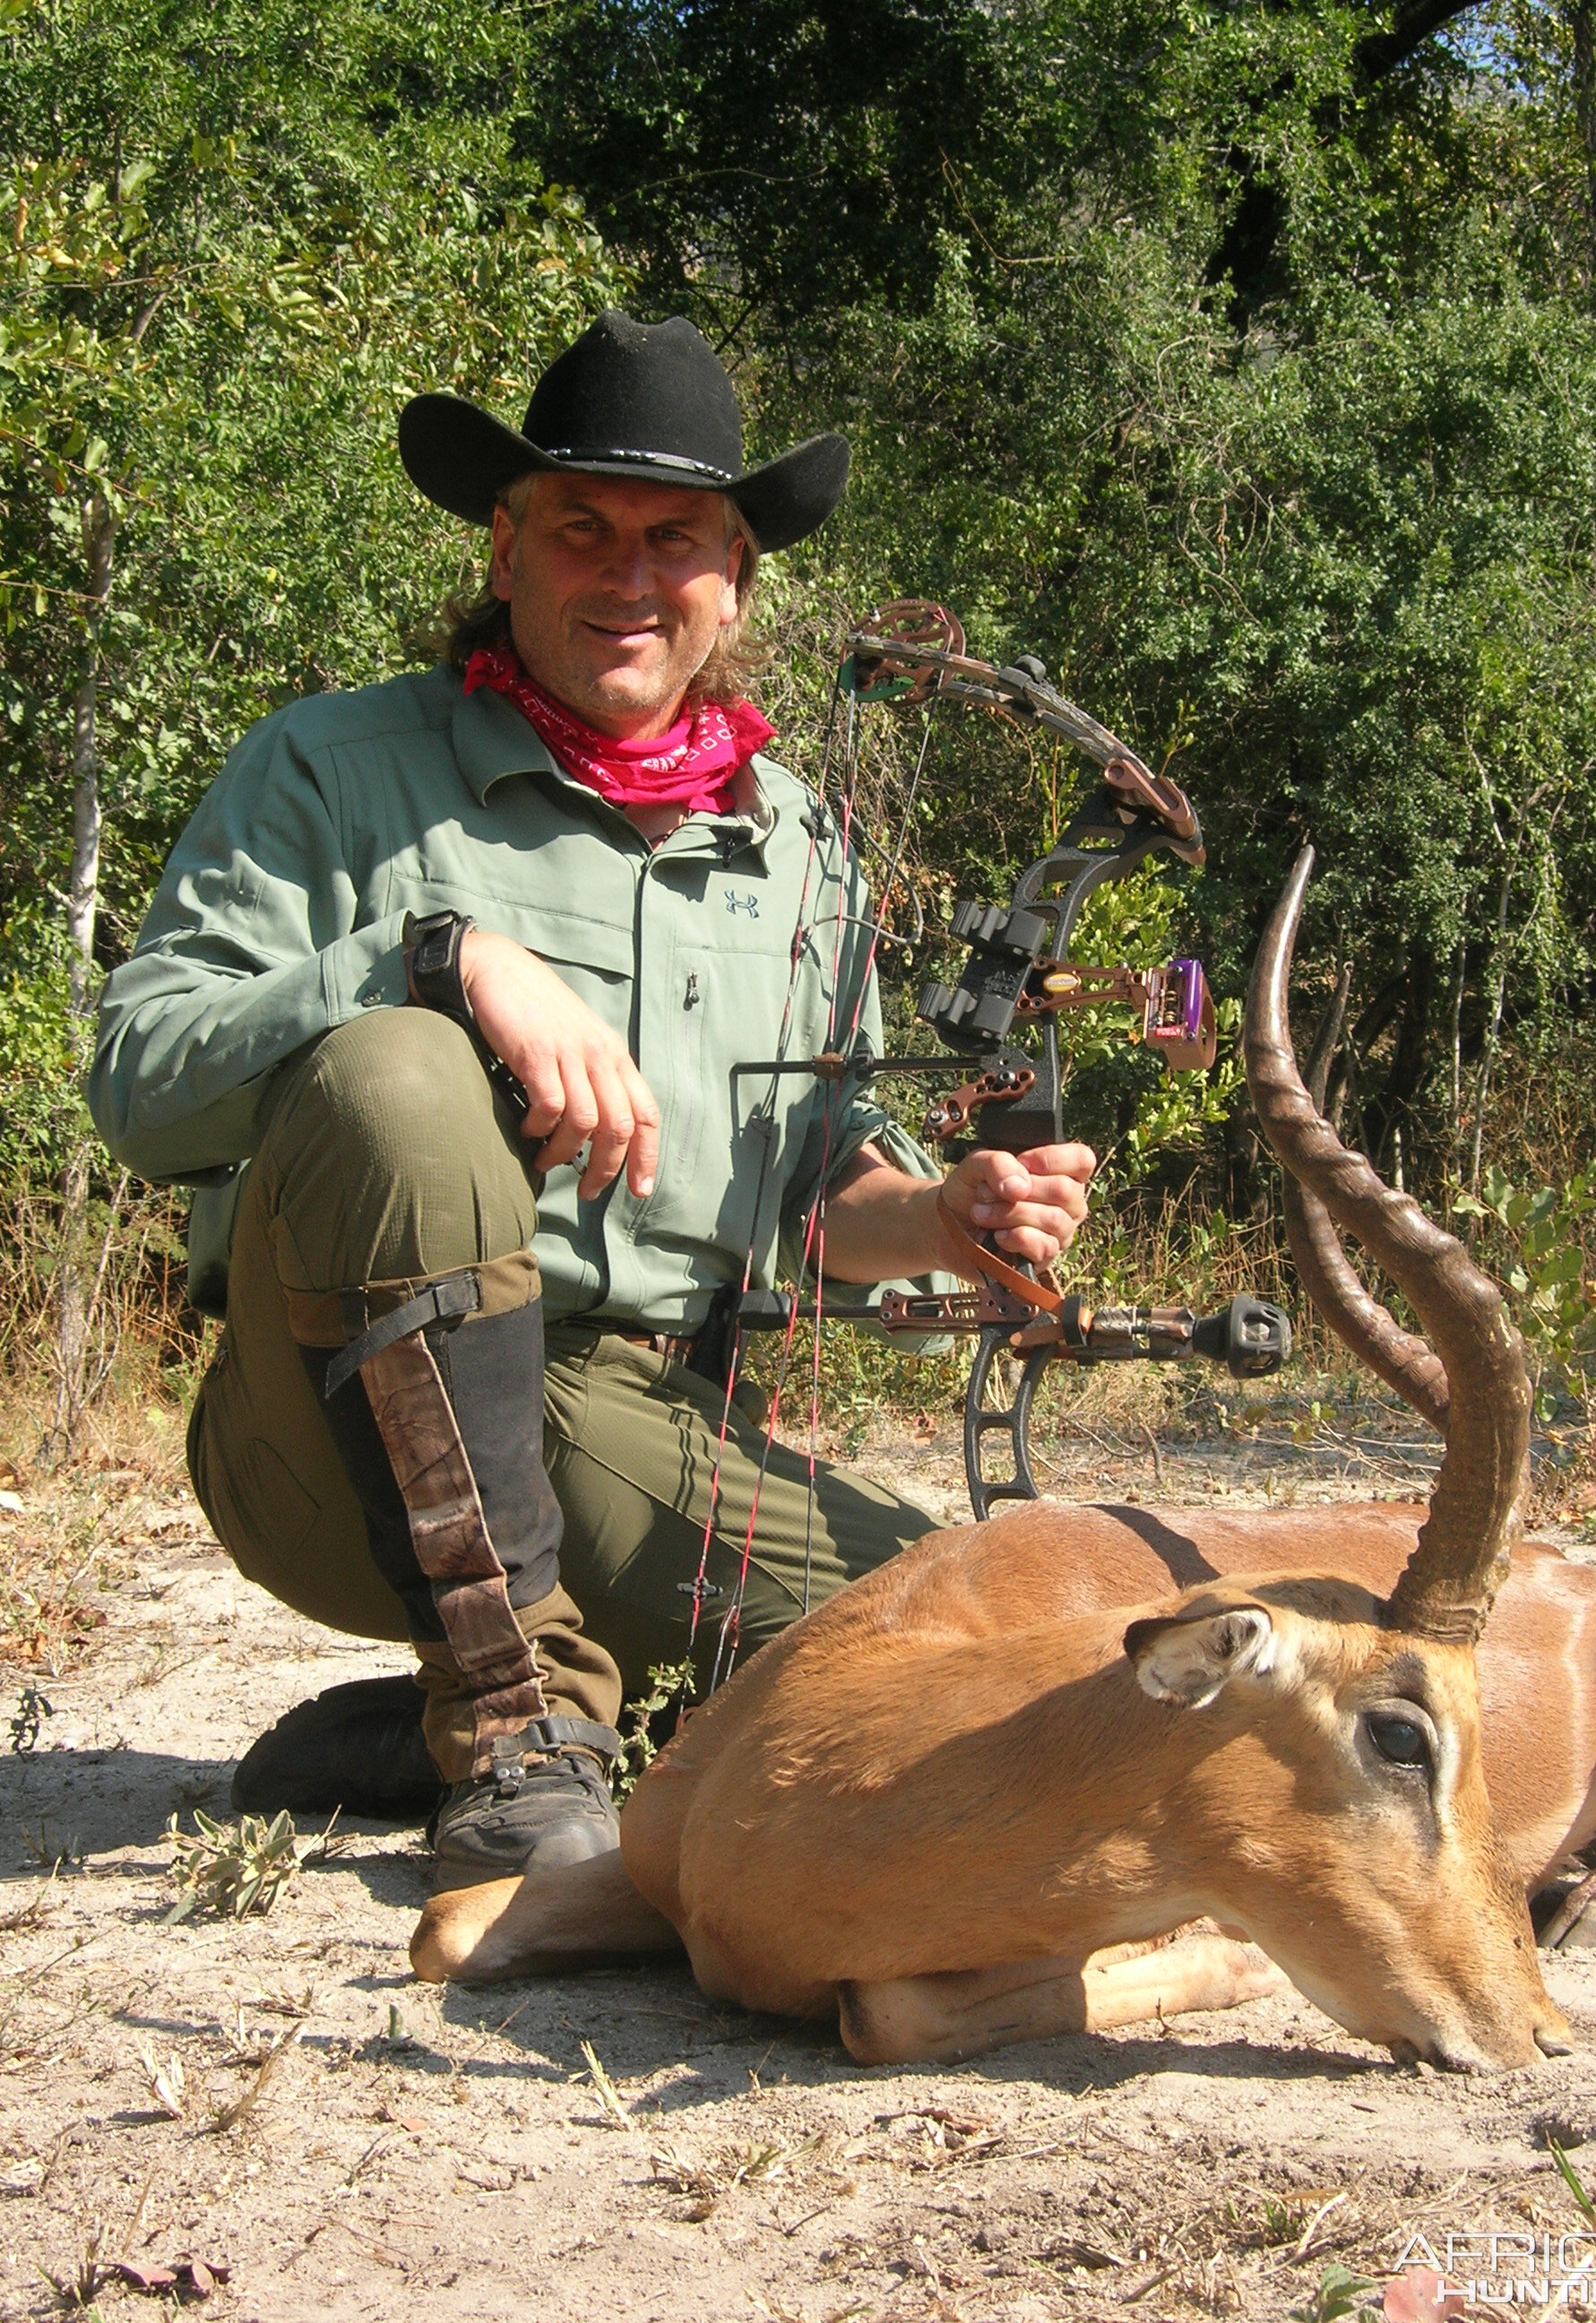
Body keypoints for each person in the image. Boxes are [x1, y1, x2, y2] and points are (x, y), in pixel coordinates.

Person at [87, 311, 1095, 1893]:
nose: (629, 575)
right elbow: (139, 1090)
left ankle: (477, 1721)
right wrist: (442, 953)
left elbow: (819, 1180)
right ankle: (507, 1721)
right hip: (327, 1432)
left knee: (984, 1649)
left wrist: (953, 1218)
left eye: (675, 538)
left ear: (735, 579)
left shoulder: (800, 847)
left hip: (628, 1417)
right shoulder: (328, 770)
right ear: (505, 544)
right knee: (399, 1058)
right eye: (583, 527)